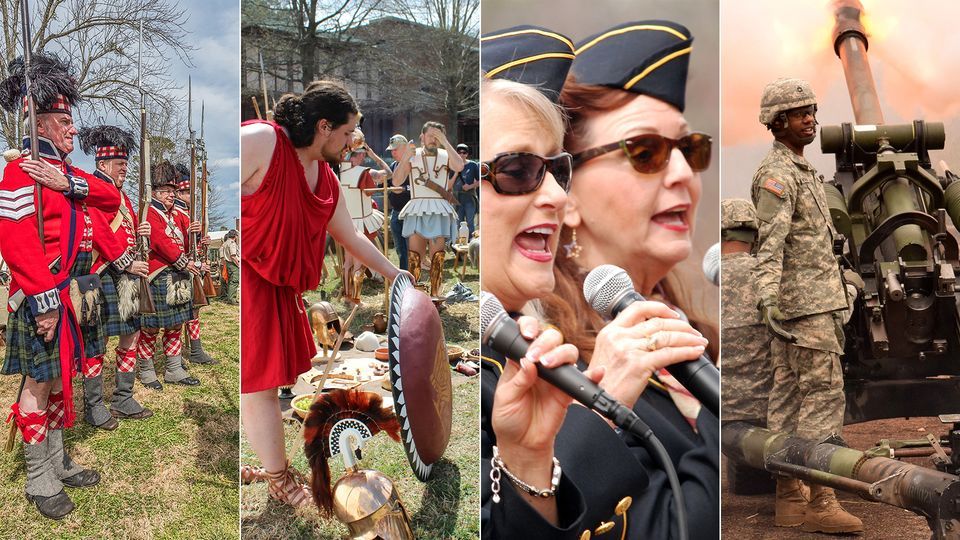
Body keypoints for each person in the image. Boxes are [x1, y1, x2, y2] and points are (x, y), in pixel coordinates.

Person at [479, 26, 708, 539]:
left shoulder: (539, 350)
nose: (558, 195)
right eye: (518, 169)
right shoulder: (552, 367)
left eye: (558, 169)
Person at [546, 20, 720, 536]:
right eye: (646, 151)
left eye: (692, 149)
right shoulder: (556, 374)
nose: (685, 174)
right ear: (566, 194)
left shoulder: (700, 334)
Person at [240, 80, 405, 509]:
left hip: (281, 288)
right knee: (258, 386)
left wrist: (393, 272)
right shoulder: (264, 142)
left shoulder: (328, 180)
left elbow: (350, 236)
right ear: (324, 126)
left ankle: (273, 464)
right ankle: (278, 478)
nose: (352, 141)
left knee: (273, 381)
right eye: (348, 132)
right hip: (249, 280)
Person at [0, 53, 121, 519]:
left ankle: (56, 460)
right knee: (39, 383)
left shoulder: (66, 175)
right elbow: (16, 241)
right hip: (40, 297)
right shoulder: (18, 173)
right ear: (40, 121)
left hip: (69, 296)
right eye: (65, 120)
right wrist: (45, 301)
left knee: (57, 382)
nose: (73, 129)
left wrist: (69, 185)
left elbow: (109, 197)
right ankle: (38, 476)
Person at [750, 77, 862, 533]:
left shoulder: (801, 172)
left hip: (810, 307)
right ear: (778, 123)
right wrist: (768, 300)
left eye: (812, 111)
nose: (811, 120)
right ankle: (821, 500)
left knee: (788, 400)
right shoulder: (778, 177)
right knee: (820, 399)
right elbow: (769, 246)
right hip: (805, 312)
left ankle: (789, 497)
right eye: (800, 114)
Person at [77, 125, 154, 426]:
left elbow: (124, 233)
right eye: (121, 165)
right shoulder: (95, 188)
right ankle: (93, 405)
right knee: (96, 342)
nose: (125, 169)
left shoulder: (121, 195)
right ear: (103, 164)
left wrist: (140, 231)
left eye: (125, 164)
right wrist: (126, 263)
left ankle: (123, 397)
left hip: (122, 276)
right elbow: (97, 230)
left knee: (130, 333)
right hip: (99, 273)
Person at [135, 162, 202, 390]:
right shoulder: (149, 212)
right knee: (151, 328)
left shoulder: (179, 215)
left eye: (173, 192)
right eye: (167, 192)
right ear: (155, 192)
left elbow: (185, 241)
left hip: (178, 276)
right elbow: (161, 242)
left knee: (175, 325)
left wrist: (195, 232)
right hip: (159, 275)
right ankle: (146, 369)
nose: (171, 196)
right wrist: (184, 262)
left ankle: (174, 369)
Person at [393, 120, 464, 292]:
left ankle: (436, 293)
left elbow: (459, 166)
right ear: (422, 137)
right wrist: (405, 159)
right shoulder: (413, 154)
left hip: (439, 209)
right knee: (415, 257)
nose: (433, 139)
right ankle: (414, 294)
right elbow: (396, 181)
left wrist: (445, 142)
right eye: (430, 135)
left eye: (437, 136)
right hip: (417, 208)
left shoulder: (446, 154)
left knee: (437, 256)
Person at [174, 167, 216, 365]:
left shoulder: (188, 214)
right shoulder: (175, 213)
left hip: (192, 268)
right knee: (180, 314)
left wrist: (202, 242)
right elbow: (176, 245)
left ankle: (196, 349)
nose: (193, 195)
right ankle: (177, 352)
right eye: (188, 191)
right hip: (180, 268)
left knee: (194, 311)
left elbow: (193, 247)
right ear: (181, 193)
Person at [386, 134, 410, 270]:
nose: (393, 152)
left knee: (410, 248)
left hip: (410, 212)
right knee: (400, 249)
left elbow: (419, 186)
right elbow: (387, 185)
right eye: (392, 150)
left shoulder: (413, 165)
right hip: (396, 212)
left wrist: (404, 189)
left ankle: (413, 275)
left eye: (396, 149)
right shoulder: (393, 165)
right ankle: (404, 274)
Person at [453, 143, 479, 239]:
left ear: (467, 154)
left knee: (470, 222)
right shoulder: (453, 165)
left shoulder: (473, 165)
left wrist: (470, 186)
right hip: (457, 198)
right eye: (459, 152)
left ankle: (471, 245)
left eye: (464, 152)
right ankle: (459, 246)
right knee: (458, 223)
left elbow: (481, 181)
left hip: (469, 197)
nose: (461, 155)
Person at [219, 229, 240, 304]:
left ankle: (230, 298)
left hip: (228, 264)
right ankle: (231, 299)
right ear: (235, 236)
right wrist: (239, 265)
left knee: (230, 281)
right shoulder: (232, 243)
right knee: (234, 281)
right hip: (233, 264)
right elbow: (233, 256)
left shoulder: (225, 243)